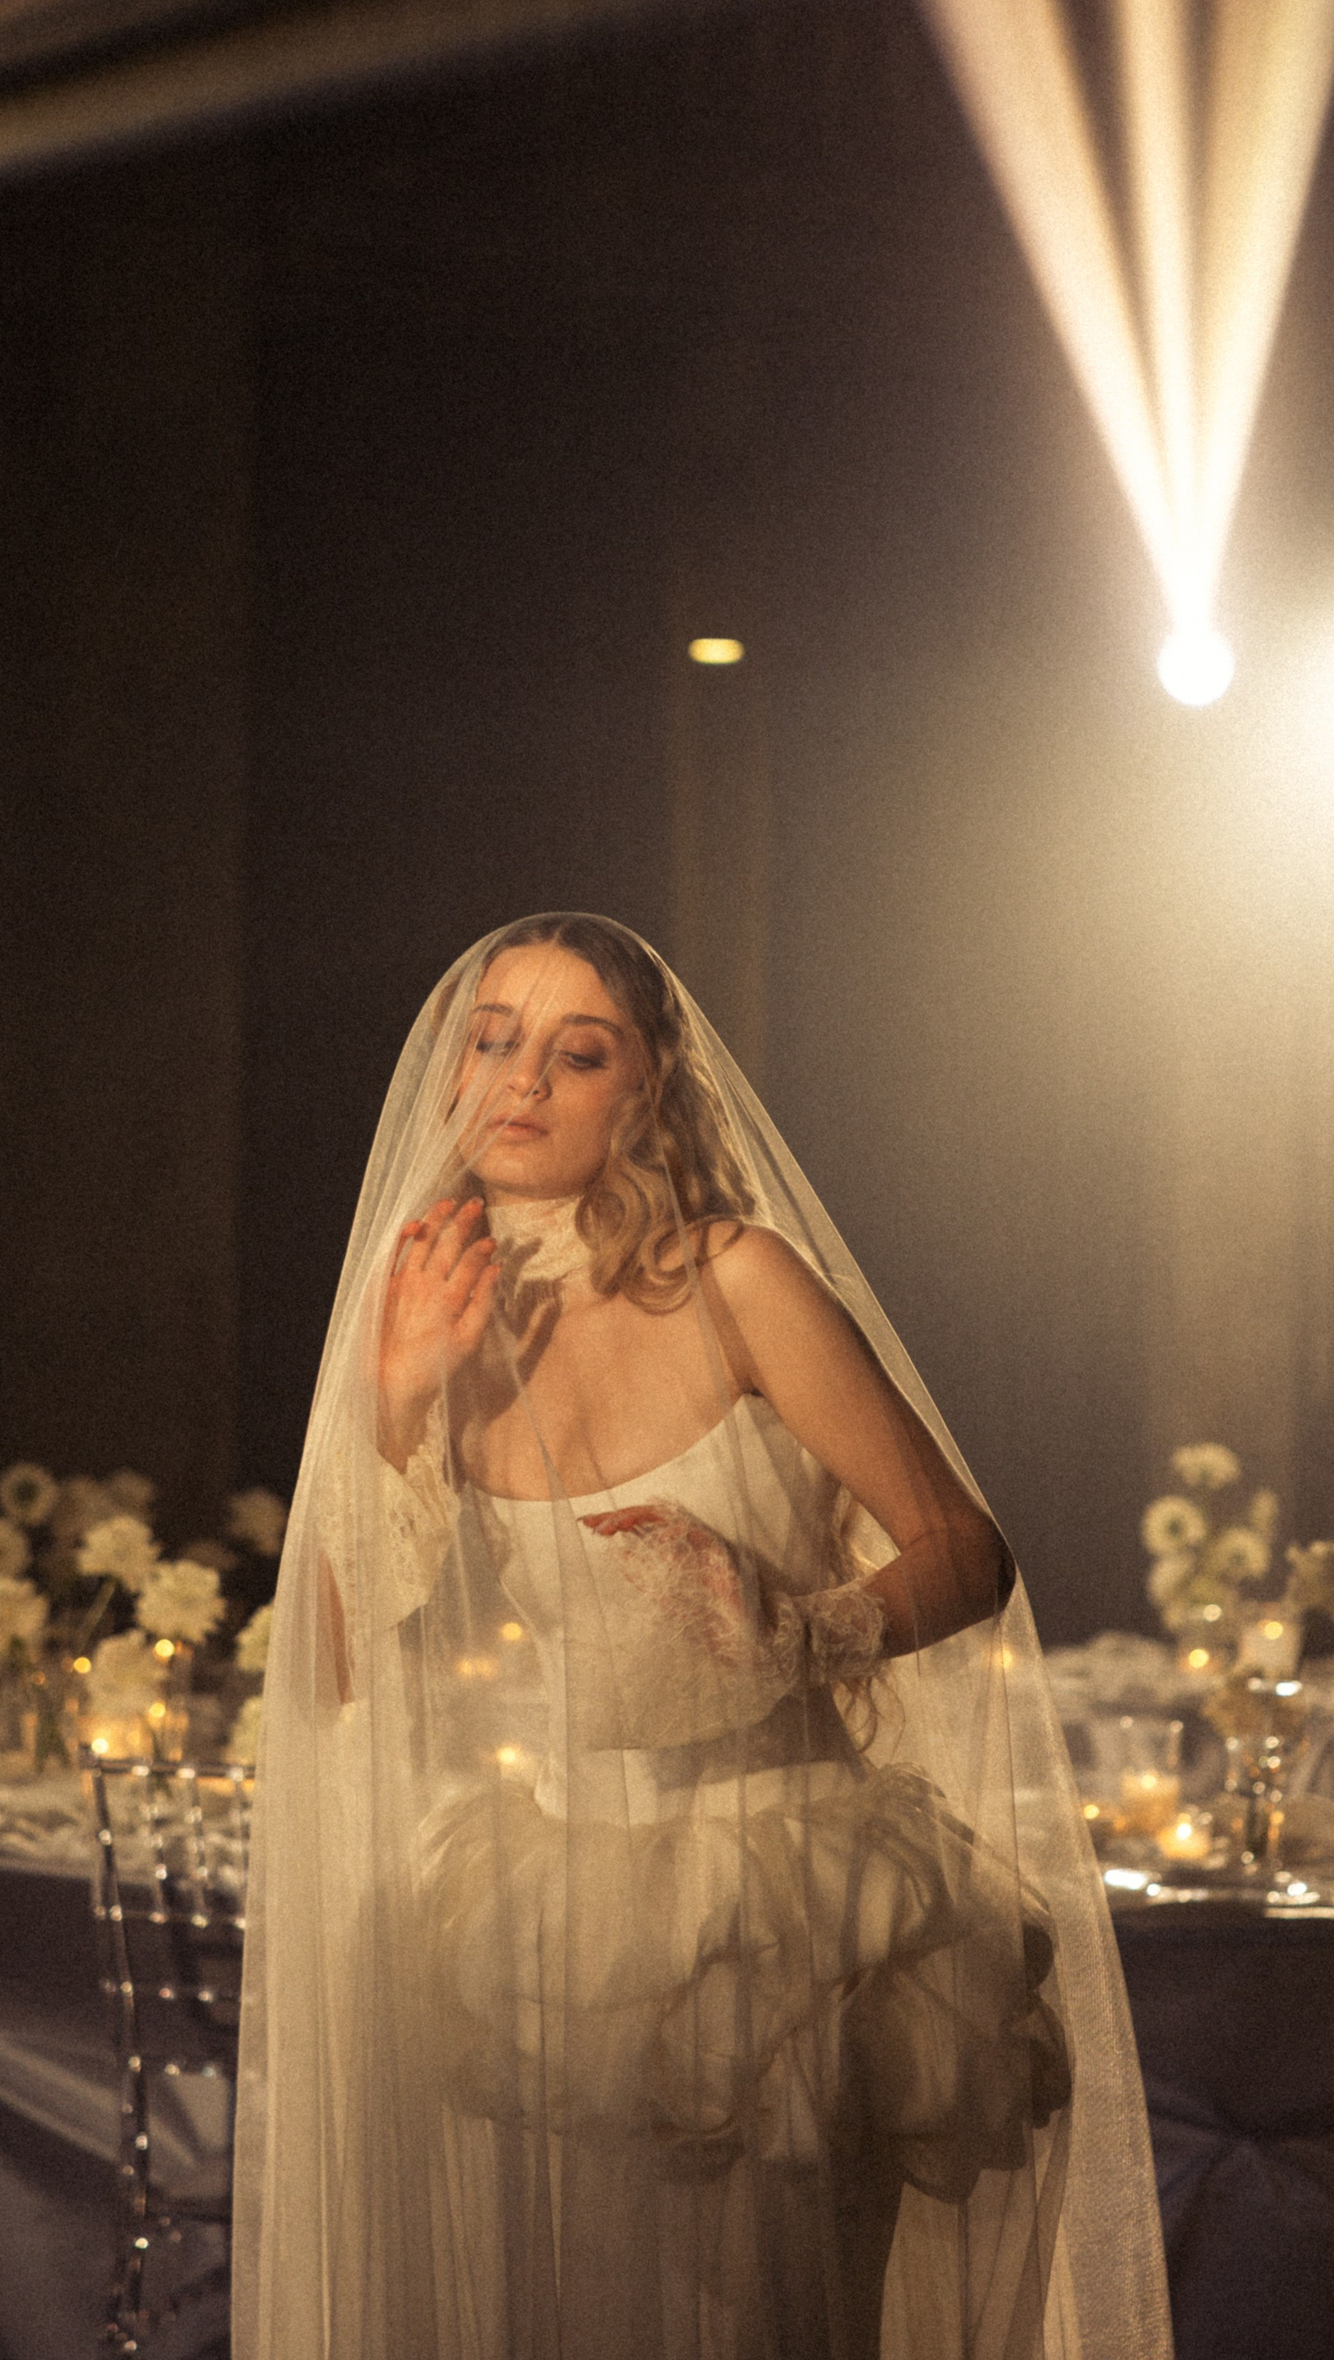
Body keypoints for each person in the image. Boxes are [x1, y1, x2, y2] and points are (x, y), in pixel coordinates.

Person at [235, 915, 1170, 2360]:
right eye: (494, 1041)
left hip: (799, 1905)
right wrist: (400, 1399)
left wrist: (800, 1633)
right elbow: (331, 1668)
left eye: (577, 1053)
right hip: (563, 1921)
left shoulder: (736, 1277)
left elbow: (967, 1553)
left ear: (646, 1090)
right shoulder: (437, 1310)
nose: (522, 1081)